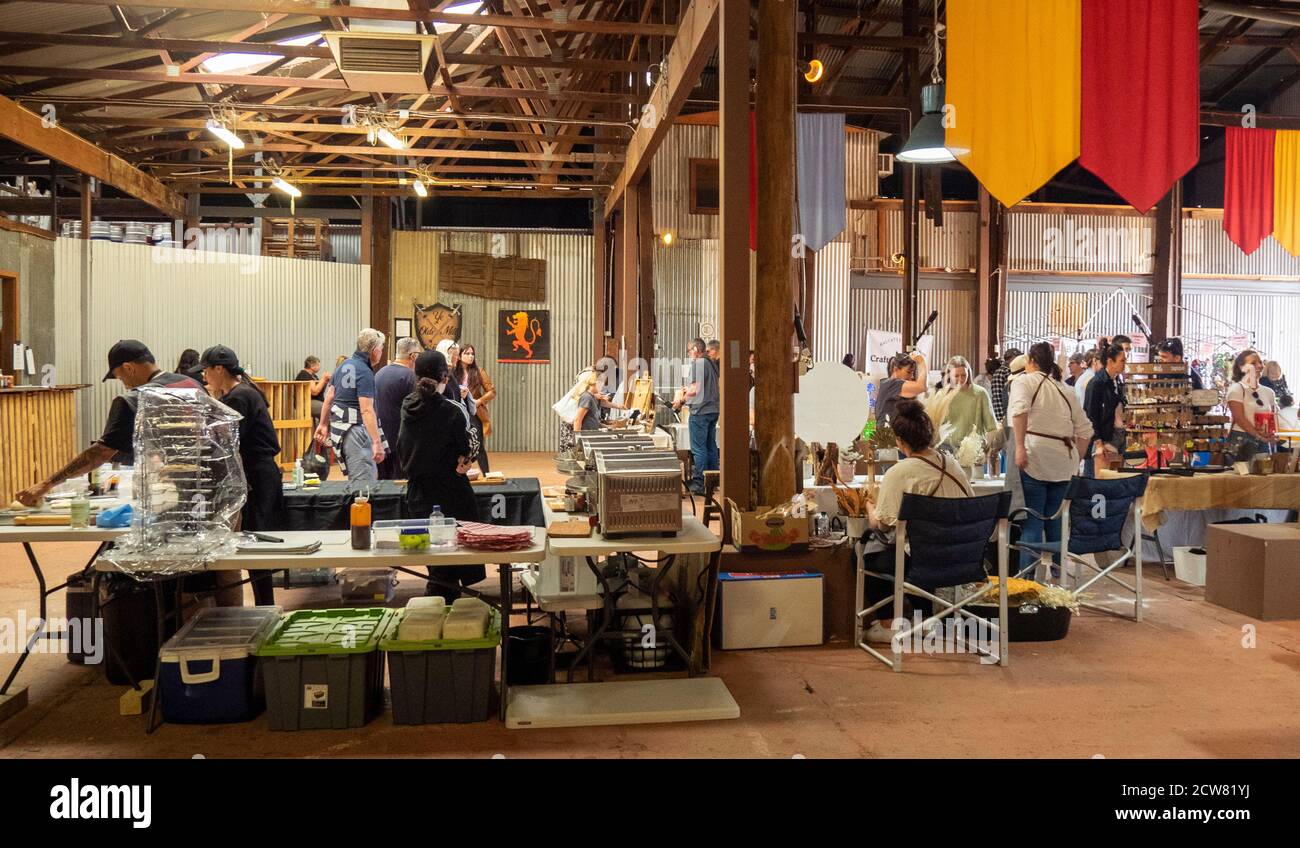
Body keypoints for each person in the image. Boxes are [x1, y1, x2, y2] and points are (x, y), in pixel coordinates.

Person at [16, 340, 203, 506]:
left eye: (120, 377)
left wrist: (47, 484)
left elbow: (99, 453)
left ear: (129, 368)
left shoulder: (135, 399)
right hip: (209, 484)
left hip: (178, 494)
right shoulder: (191, 384)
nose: (124, 384)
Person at [860, 399, 975, 644]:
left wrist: (869, 506)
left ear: (899, 441)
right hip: (964, 558)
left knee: (865, 553)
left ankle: (888, 623)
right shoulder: (952, 464)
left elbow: (880, 524)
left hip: (923, 562)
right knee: (917, 546)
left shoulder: (899, 472)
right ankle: (925, 619)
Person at [199, 345, 282, 606]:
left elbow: (223, 442)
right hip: (259, 472)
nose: (204, 377)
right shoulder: (242, 392)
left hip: (257, 475)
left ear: (219, 369)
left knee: (256, 545)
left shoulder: (238, 397)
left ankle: (265, 608)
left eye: (206, 370)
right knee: (256, 544)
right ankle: (264, 606)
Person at [398, 350, 484, 600]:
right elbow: (469, 446)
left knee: (437, 567)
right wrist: (466, 460)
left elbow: (402, 449)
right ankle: (449, 623)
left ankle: (437, 609)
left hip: (418, 497)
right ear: (445, 377)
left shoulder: (407, 407)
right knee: (453, 566)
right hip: (450, 495)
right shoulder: (452, 410)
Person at [1009, 342, 1092, 577]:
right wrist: (1077, 458)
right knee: (1055, 522)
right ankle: (1059, 576)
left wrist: (1019, 447)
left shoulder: (1024, 381)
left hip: (1034, 457)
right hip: (1063, 461)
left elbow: (1019, 411)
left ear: (1031, 362)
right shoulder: (1066, 389)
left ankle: (1026, 581)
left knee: (1032, 520)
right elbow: (1086, 430)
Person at [313, 328, 387, 483]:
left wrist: (323, 424)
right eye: (380, 349)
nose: (381, 353)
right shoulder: (365, 372)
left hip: (341, 430)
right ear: (373, 351)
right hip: (356, 430)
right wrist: (376, 442)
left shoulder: (344, 365)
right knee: (364, 483)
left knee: (360, 477)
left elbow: (330, 397)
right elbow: (366, 410)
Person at [673, 338, 719, 495]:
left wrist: (681, 400)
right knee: (710, 446)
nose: (689, 354)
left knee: (698, 449)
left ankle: (700, 484)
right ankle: (713, 481)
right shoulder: (712, 363)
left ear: (695, 349)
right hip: (713, 409)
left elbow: (696, 389)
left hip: (700, 411)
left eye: (689, 350)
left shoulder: (699, 363)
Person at [925, 355, 998, 454]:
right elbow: (934, 425)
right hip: (945, 449)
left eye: (964, 375)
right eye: (956, 376)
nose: (960, 379)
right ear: (949, 375)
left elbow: (992, 427)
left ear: (969, 373)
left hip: (972, 450)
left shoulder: (980, 393)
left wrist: (985, 450)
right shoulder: (942, 394)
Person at [374, 338, 422, 480]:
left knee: (383, 484)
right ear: (413, 356)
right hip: (400, 443)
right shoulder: (410, 377)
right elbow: (416, 411)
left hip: (381, 440)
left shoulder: (379, 373)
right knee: (400, 486)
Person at [1226, 349, 1281, 460]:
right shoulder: (1236, 389)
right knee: (1241, 474)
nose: (1259, 366)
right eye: (1253, 363)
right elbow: (1240, 418)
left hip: (1264, 441)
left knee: (1265, 473)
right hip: (1242, 439)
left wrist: (1273, 434)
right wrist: (1258, 436)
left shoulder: (1269, 392)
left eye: (1260, 362)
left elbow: (1273, 417)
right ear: (1242, 368)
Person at [1085, 343, 1127, 475]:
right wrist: (1098, 443)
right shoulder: (1097, 383)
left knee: (1115, 480)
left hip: (1118, 436)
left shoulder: (1117, 381)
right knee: (1102, 481)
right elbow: (1091, 415)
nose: (1124, 364)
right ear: (1110, 361)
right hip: (1104, 439)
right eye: (1122, 360)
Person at [454, 344, 496, 474]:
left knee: (478, 444)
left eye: (472, 354)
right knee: (457, 444)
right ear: (460, 356)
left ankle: (486, 474)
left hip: (474, 412)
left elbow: (492, 392)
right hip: (457, 411)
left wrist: (478, 401)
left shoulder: (479, 371)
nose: (470, 356)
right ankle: (458, 473)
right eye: (467, 353)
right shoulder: (453, 372)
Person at [874, 351, 928, 426]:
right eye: (908, 372)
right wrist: (921, 361)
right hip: (887, 435)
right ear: (896, 369)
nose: (912, 376)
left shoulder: (895, 387)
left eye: (912, 373)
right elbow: (921, 387)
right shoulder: (891, 384)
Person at [988, 348, 1021, 424]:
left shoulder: (999, 371)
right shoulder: (1007, 372)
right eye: (1017, 358)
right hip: (1005, 416)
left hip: (1000, 414)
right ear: (1011, 359)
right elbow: (1001, 397)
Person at [296, 356, 332, 425]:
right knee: (328, 409)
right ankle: (325, 433)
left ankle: (323, 432)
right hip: (306, 403)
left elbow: (319, 388)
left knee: (331, 407)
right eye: (318, 365)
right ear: (312, 366)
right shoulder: (304, 375)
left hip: (315, 401)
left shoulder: (314, 376)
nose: (319, 367)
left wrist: (325, 382)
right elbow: (314, 392)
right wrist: (323, 379)